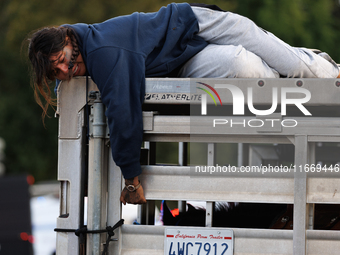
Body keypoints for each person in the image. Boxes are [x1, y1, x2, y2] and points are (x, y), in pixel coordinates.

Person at [27, 3, 340, 205]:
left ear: (69, 42)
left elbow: (123, 115)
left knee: (289, 61)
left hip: (196, 23)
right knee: (248, 69)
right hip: (183, 60)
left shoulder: (102, 53)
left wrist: (131, 179)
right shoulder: (84, 56)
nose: (65, 72)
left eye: (63, 62)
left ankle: (331, 73)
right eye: (56, 72)